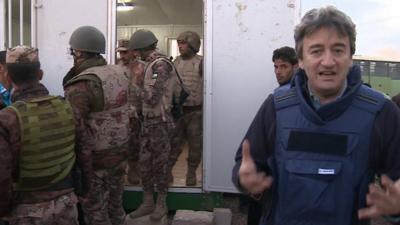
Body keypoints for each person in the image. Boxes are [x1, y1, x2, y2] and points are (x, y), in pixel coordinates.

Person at [232, 6, 400, 225]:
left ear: (350, 58)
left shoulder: (381, 112)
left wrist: (395, 208)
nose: (328, 61)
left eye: (338, 50)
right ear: (301, 60)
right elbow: (245, 166)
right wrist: (246, 182)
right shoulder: (276, 107)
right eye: (316, 50)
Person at [0, 45, 92, 225]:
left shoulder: (7, 120)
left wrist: (4, 212)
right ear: (40, 74)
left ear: (7, 76)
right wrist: (83, 193)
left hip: (26, 212)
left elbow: (2, 177)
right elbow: (85, 156)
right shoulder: (69, 108)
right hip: (67, 206)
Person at [63, 26, 130, 225]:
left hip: (96, 161)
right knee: (116, 206)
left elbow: (74, 128)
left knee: (96, 213)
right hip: (120, 153)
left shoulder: (81, 84)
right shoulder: (119, 72)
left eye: (73, 51)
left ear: (79, 52)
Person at [127, 29, 179, 221]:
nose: (134, 54)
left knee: (161, 165)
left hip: (161, 125)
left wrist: (135, 83)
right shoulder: (149, 65)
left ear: (142, 48)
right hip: (147, 124)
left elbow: (152, 97)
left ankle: (161, 204)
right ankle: (148, 202)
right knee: (144, 164)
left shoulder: (160, 66)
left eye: (136, 50)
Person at [168, 31, 203, 186]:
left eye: (183, 43)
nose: (180, 46)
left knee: (195, 145)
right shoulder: (175, 62)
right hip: (178, 111)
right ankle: (167, 172)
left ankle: (191, 172)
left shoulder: (202, 62)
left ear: (193, 44)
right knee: (174, 144)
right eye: (179, 43)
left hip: (196, 112)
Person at [115, 38, 143, 185]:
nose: (122, 56)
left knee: (135, 144)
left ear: (132, 52)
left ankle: (133, 170)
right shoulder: (116, 67)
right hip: (119, 112)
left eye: (125, 53)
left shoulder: (141, 67)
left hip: (136, 112)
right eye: (120, 53)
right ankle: (120, 171)